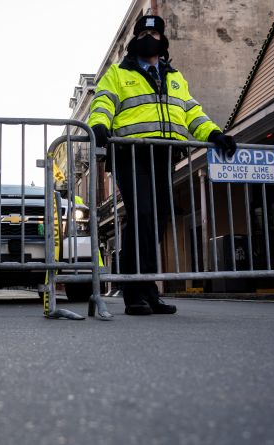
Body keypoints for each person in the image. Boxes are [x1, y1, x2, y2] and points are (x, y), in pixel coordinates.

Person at [88, 15, 236, 316]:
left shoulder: (174, 77)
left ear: (163, 40)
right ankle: (133, 294)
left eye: (155, 33)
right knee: (141, 215)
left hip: (164, 155)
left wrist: (215, 133)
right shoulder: (119, 73)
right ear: (135, 39)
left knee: (158, 220)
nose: (149, 37)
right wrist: (99, 125)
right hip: (131, 153)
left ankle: (149, 291)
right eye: (144, 32)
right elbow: (102, 102)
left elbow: (192, 112)